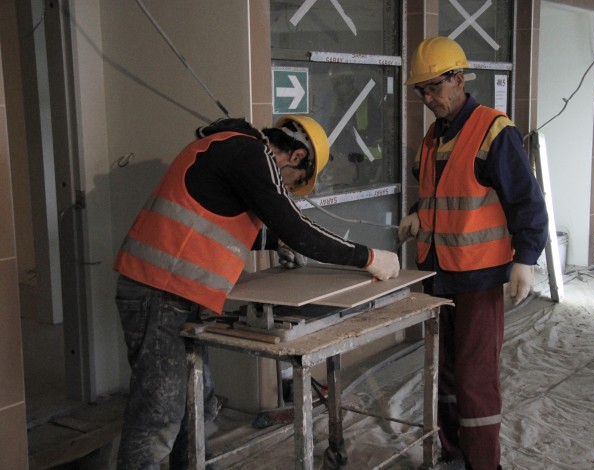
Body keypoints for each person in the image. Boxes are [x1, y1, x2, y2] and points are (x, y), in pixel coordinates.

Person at [113, 114, 400, 469]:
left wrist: (274, 241)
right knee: (160, 414)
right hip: (158, 292)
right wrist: (369, 257)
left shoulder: (229, 149)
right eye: (294, 184)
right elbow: (297, 228)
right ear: (296, 157)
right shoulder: (249, 152)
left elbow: (217, 223)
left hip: (171, 293)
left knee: (194, 403)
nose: (286, 190)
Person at [399, 37, 548, 470]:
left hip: (478, 278)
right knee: (444, 371)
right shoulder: (434, 136)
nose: (428, 99)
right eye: (421, 91)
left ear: (459, 79)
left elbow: (526, 201)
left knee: (474, 377)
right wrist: (418, 212)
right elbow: (439, 192)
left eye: (434, 88)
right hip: (437, 276)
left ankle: (484, 464)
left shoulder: (493, 131)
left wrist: (526, 258)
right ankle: (451, 453)